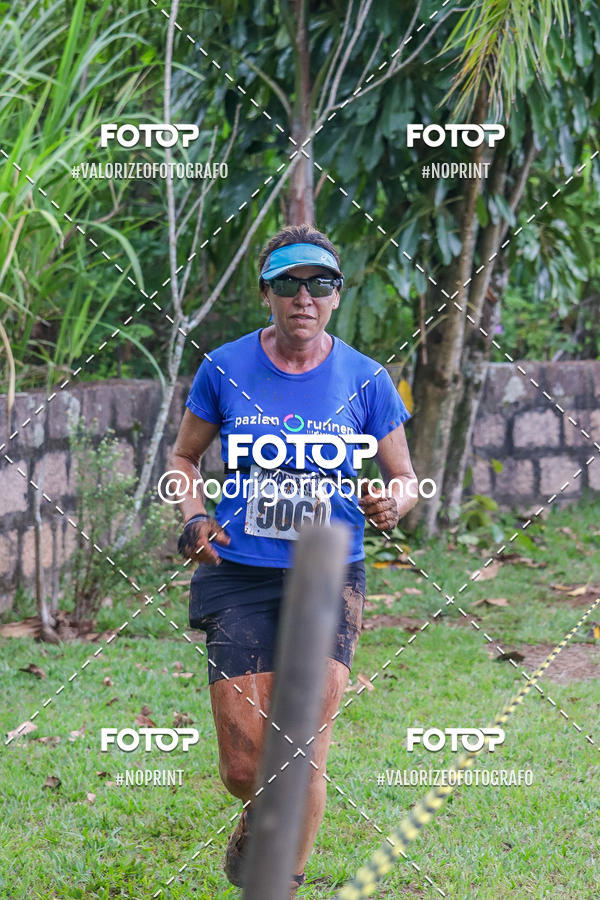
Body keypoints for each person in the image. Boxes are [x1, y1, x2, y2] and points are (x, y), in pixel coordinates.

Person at [169, 224, 418, 897]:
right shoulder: (224, 368)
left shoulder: (365, 379)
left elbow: (406, 477)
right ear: (267, 294)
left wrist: (393, 504)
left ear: (336, 296)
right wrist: (193, 514)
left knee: (303, 747)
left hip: (327, 574)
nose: (304, 297)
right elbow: (184, 458)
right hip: (240, 574)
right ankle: (257, 814)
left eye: (320, 283)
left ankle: (280, 884)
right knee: (245, 766)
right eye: (288, 282)